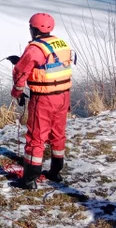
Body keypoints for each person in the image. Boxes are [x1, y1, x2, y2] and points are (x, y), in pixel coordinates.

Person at [8, 12, 73, 189]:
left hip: (43, 99)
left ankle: (29, 179)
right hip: (63, 96)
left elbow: (21, 72)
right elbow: (53, 65)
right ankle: (55, 172)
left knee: (36, 137)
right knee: (58, 135)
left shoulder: (34, 48)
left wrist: (17, 93)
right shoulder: (61, 44)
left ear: (33, 29)